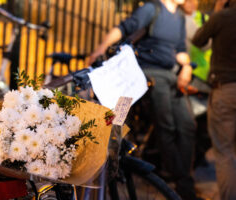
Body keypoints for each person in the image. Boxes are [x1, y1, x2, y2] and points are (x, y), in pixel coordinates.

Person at [88, 0, 200, 199]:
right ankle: (183, 188)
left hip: (170, 75)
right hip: (148, 73)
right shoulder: (152, 8)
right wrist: (100, 49)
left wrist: (188, 67)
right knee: (167, 126)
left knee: (188, 126)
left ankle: (185, 182)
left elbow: (181, 49)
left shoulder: (180, 17)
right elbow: (124, 28)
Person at [192, 0, 236, 199]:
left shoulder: (222, 17)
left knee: (224, 152)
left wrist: (218, 10)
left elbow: (198, 39)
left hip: (225, 89)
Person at [182, 0, 212, 168]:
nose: (192, 2)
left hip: (205, 80)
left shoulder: (204, 18)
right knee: (190, 124)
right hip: (188, 76)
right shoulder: (177, 18)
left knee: (204, 126)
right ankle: (191, 161)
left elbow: (208, 45)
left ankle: (197, 157)